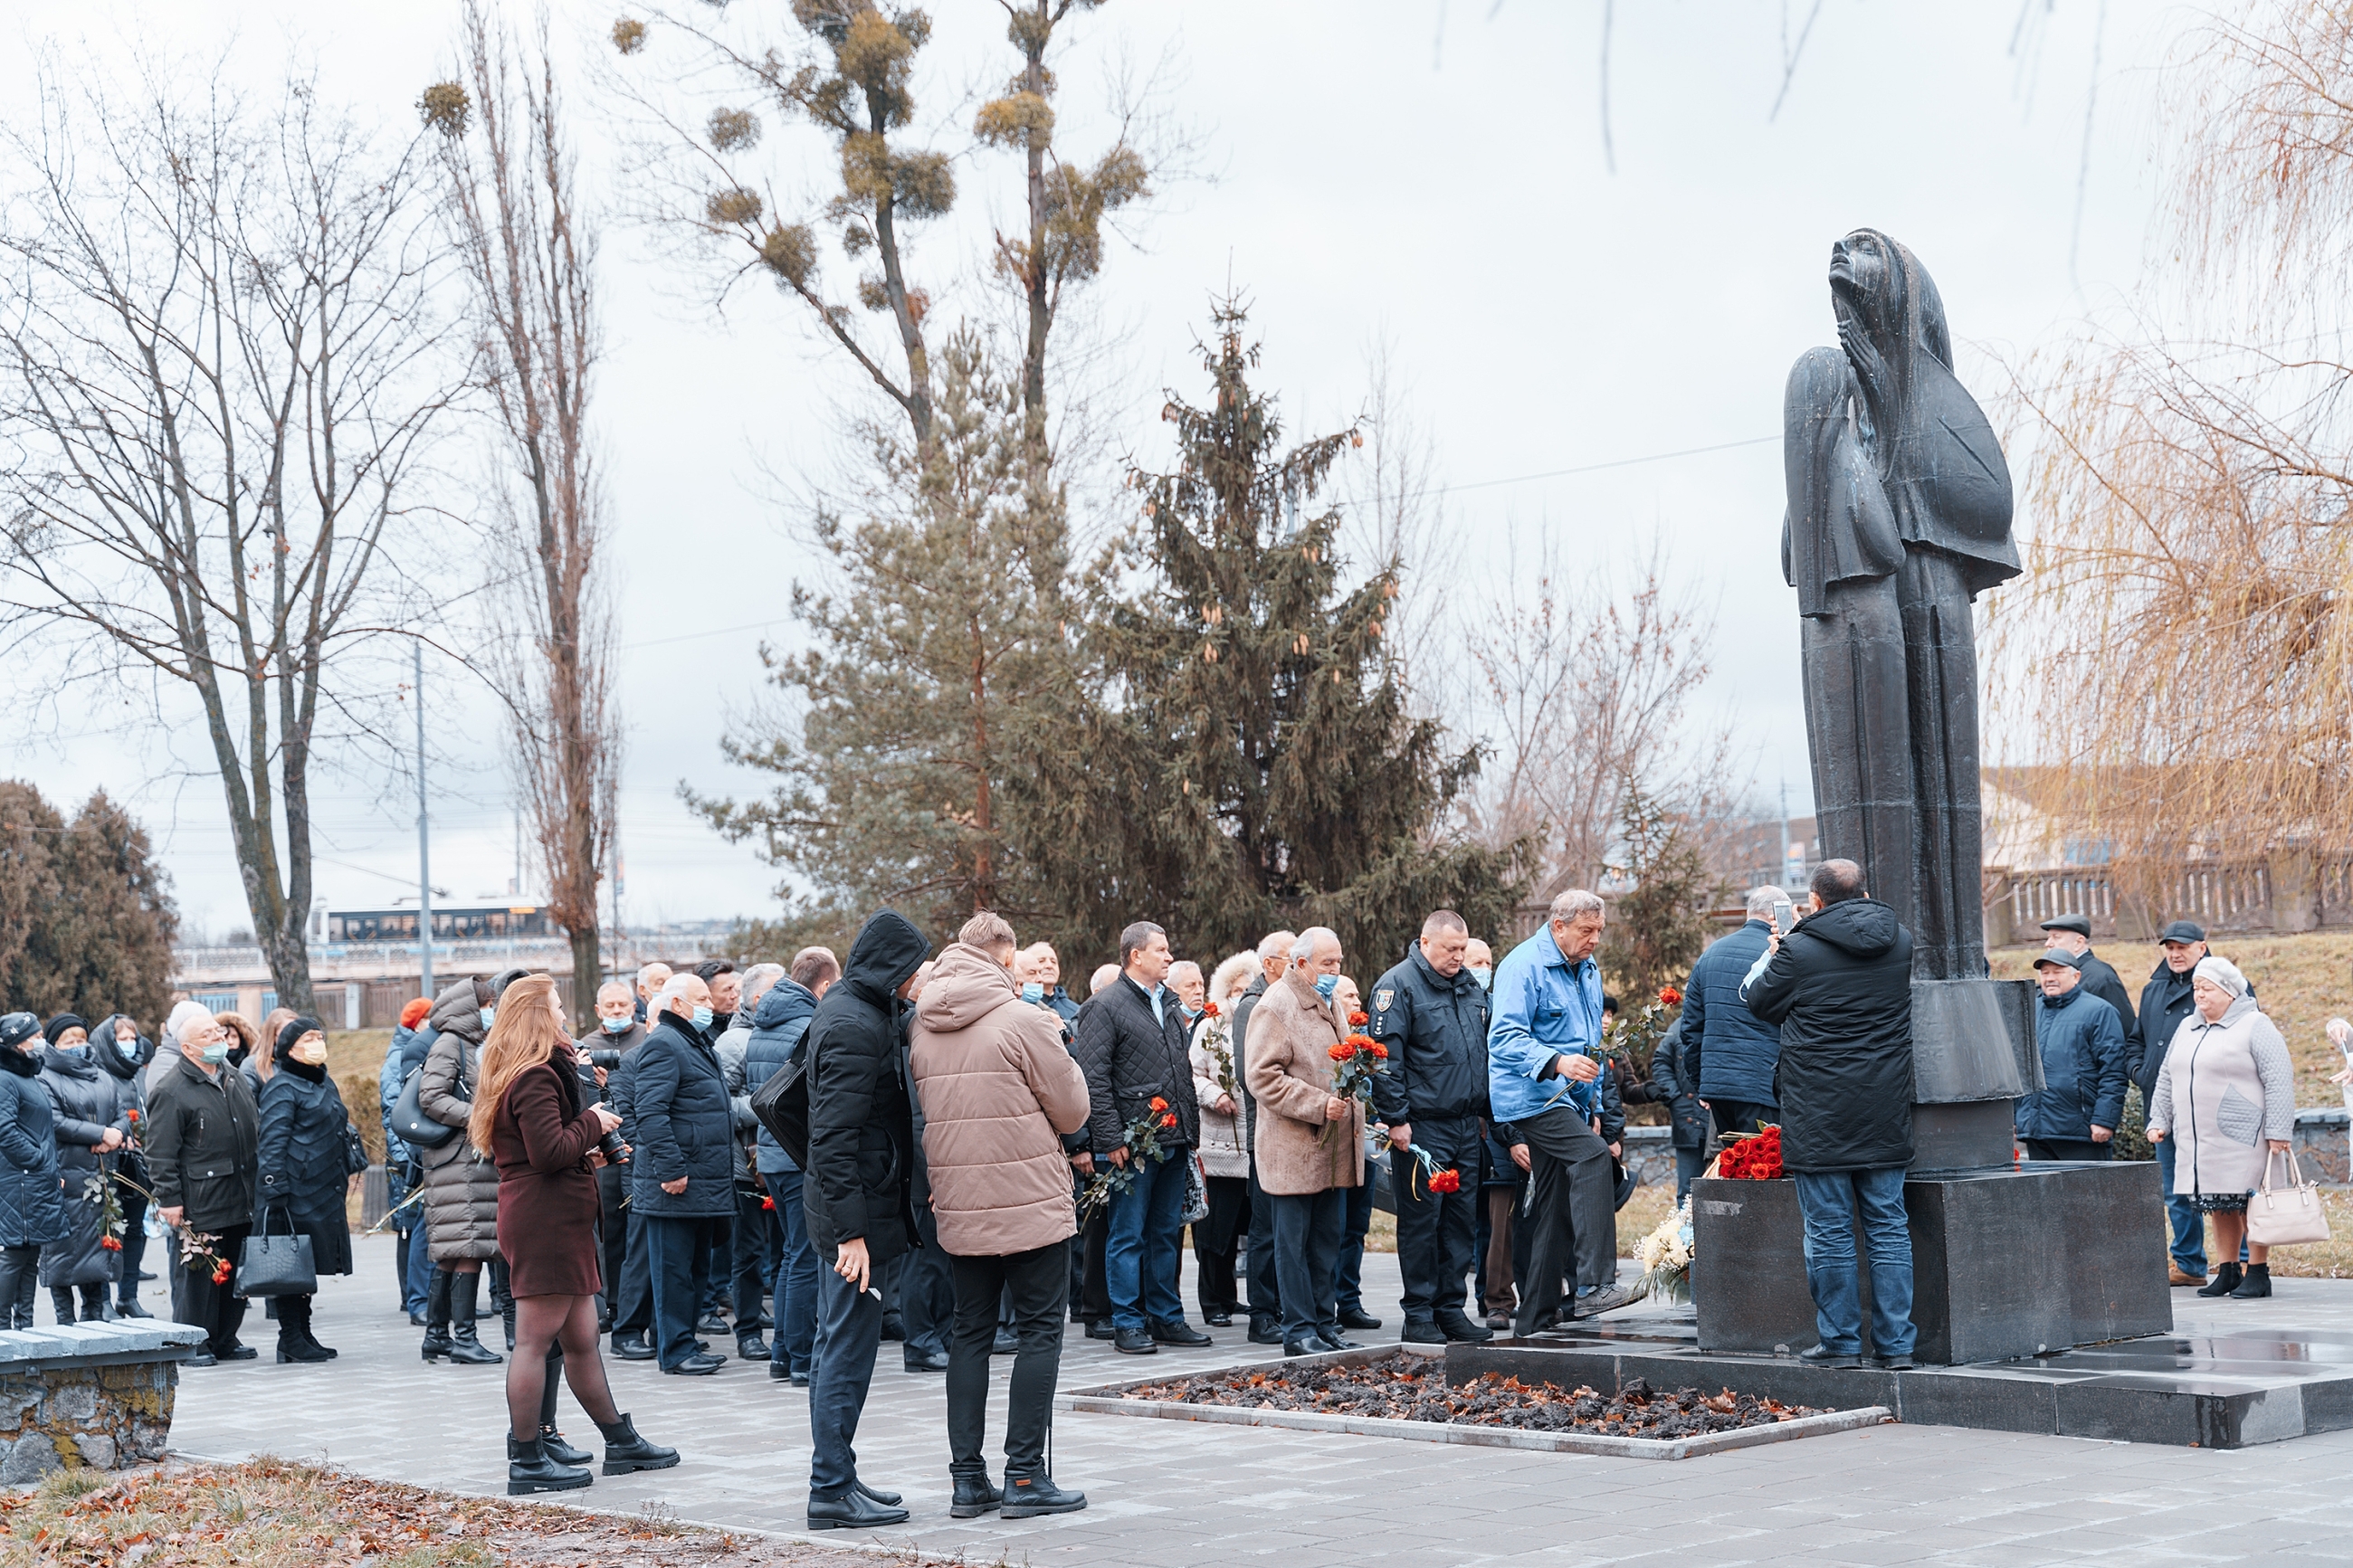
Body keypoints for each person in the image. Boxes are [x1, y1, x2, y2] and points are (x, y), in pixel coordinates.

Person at [910, 912, 1092, 1520]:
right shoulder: (1024, 1018)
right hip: (1030, 1200)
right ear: (1003, 955)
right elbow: (1070, 1113)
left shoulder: (923, 1025)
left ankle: (967, 1481)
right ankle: (1023, 1476)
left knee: (970, 1333)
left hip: (960, 1200)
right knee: (1041, 1329)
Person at [469, 973, 677, 1495]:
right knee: (534, 1342)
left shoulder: (527, 1071)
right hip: (546, 1220)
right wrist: (595, 1120)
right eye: (558, 1006)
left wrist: (586, 1121)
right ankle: (527, 1460)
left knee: (583, 1339)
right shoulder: (534, 1075)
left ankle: (620, 1441)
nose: (565, 1013)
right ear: (539, 1015)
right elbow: (549, 1152)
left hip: (556, 1215)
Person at [1740, 859, 1918, 1370]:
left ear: (1814, 900)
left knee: (1830, 1230)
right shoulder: (1900, 940)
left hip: (1819, 1110)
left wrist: (1775, 952)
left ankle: (1841, 1345)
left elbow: (1758, 1002)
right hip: (1884, 1104)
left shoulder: (1798, 949)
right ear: (1864, 892)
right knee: (1888, 1226)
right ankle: (1897, 1346)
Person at [803, 908, 929, 1532]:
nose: (919, 977)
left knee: (838, 1345)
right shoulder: (854, 1023)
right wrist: (852, 1232)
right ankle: (829, 1488)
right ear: (891, 966)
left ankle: (839, 1473)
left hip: (859, 1208)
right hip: (858, 1219)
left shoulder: (861, 1007)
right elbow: (832, 1137)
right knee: (845, 1352)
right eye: (915, 966)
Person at [1491, 890, 1626, 1335]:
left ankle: (1533, 1318)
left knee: (1552, 1208)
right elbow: (1504, 1038)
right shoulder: (1522, 965)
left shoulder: (1587, 969)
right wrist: (1557, 1062)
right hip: (1531, 1097)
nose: (1594, 941)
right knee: (1592, 1157)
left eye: (1599, 931)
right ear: (1558, 926)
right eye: (1587, 931)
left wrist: (1595, 1105)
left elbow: (1592, 1045)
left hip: (1569, 1099)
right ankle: (1594, 1284)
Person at [1074, 920, 1206, 1356]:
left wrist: (1190, 1131)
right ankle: (1127, 1322)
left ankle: (1166, 1318)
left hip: (1172, 1139)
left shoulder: (1169, 1003)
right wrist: (1110, 1137)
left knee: (1166, 1233)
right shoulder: (1105, 1005)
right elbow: (1094, 1078)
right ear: (1136, 955)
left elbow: (1180, 1071)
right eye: (1162, 950)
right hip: (1132, 1143)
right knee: (1127, 1235)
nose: (1170, 957)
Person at [1370, 910, 1495, 1345]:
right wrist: (1397, 1118)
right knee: (1423, 1222)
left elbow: (1483, 1052)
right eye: (1450, 949)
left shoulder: (1469, 987)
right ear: (1425, 943)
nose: (1459, 957)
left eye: (1463, 949)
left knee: (1460, 1223)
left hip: (1465, 1126)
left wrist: (1487, 1115)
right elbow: (1385, 1061)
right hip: (1422, 1127)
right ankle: (1418, 1313)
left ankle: (1449, 1309)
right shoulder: (1399, 985)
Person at [1243, 927, 1363, 1355]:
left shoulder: (1328, 1001)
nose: (1334, 971)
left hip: (1331, 1149)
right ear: (1301, 963)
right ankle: (1298, 1329)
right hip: (1294, 1148)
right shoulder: (1276, 1004)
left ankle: (1323, 1321)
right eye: (1327, 963)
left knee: (1326, 1240)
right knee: (1292, 1246)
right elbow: (1261, 1076)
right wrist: (1317, 1104)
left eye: (1338, 962)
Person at [2148, 956, 2296, 1301]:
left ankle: (2258, 1271)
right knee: (2218, 1203)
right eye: (2196, 988)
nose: (2198, 995)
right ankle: (2228, 1269)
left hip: (2247, 1134)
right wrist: (2159, 1120)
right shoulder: (2187, 1027)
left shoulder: (2255, 1024)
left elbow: (2278, 1079)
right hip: (2201, 1137)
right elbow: (2167, 1076)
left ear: (2229, 992)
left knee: (2249, 1205)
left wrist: (2279, 1130)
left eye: (2207, 988)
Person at [146, 1002, 262, 1366]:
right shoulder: (172, 1089)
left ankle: (225, 1338)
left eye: (218, 1032)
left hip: (240, 1193)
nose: (218, 1038)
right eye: (207, 1035)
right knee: (198, 1277)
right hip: (201, 1198)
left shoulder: (233, 1077)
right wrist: (169, 1199)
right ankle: (192, 1342)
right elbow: (160, 1152)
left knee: (234, 1274)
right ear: (188, 1048)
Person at [632, 972, 735, 1376]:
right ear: (677, 1004)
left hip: (702, 1180)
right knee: (674, 1272)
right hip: (677, 1183)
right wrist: (672, 1169)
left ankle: (684, 1341)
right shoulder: (665, 1042)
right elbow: (651, 1114)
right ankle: (675, 1350)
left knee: (694, 1269)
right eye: (702, 998)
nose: (709, 1005)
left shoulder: (692, 1041)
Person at [745, 946, 837, 1386]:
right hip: (799, 1153)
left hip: (771, 1152)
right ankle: (801, 1356)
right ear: (822, 986)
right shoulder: (807, 1025)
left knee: (788, 1255)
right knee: (804, 1258)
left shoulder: (763, 1024)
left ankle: (783, 1352)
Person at [2135, 920, 2240, 1287]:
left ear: (2202, 947)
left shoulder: (2228, 984)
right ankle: (2189, 1263)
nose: (2176, 954)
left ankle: (2240, 1262)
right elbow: (2137, 1040)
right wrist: (2143, 1072)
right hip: (2164, 1105)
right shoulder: (2153, 989)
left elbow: (2245, 1035)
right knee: (2176, 1189)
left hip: (2214, 1107)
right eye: (2170, 948)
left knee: (2229, 1185)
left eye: (2183, 947)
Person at [254, 1017, 357, 1361]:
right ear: (290, 1049)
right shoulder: (282, 1086)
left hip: (324, 1189)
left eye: (319, 1036)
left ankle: (304, 1332)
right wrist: (275, 1187)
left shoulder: (324, 1083)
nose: (317, 1042)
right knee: (290, 1263)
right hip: (294, 1191)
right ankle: (290, 1337)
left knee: (307, 1263)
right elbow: (271, 1141)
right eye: (309, 1038)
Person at [416, 977, 505, 1367]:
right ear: (470, 1007)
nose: (493, 1010)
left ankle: (437, 1336)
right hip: (458, 1159)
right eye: (489, 1003)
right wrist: (480, 1118)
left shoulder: (473, 1045)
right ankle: (464, 1339)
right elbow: (431, 1097)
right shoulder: (450, 1043)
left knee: (454, 1252)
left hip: (467, 1158)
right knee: (469, 1246)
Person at [37, 1013, 130, 1323]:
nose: (77, 1045)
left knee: (99, 1250)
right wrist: (98, 1134)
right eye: (69, 1040)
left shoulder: (100, 1075)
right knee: (62, 1253)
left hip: (101, 1178)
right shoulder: (45, 1077)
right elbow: (54, 1121)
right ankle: (65, 1322)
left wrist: (115, 1135)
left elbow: (119, 1112)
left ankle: (95, 1315)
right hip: (66, 1176)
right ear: (54, 1045)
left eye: (81, 1038)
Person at [717, 962, 785, 1361]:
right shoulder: (732, 1043)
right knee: (749, 1254)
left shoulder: (781, 1035)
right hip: (747, 1168)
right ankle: (747, 1331)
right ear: (759, 999)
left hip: (781, 1161)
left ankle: (781, 1331)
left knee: (784, 1251)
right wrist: (770, 1107)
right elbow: (718, 1105)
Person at [582, 982, 653, 1354]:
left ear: (634, 1004)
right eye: (609, 1005)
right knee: (610, 1230)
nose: (616, 1010)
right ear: (598, 1009)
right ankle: (610, 1302)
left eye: (622, 1003)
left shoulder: (647, 1037)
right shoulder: (586, 1045)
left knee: (635, 1238)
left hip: (635, 1143)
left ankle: (630, 1306)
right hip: (604, 1153)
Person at [1685, 887, 1789, 1140]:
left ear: (1749, 912)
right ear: (1777, 915)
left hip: (1718, 1086)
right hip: (1764, 1085)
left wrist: (1703, 1084)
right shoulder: (1783, 954)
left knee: (1734, 1167)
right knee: (1766, 1169)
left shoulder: (1709, 955)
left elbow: (1691, 1029)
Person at [1233, 928, 1295, 1345]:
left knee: (1291, 1228)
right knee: (1266, 1227)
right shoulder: (1253, 1006)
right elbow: (1248, 1074)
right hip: (1269, 1130)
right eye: (1290, 958)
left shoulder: (1292, 999)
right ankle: (1263, 1313)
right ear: (1269, 963)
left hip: (1299, 1131)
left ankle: (1291, 1307)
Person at [1187, 953, 1257, 1326]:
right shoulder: (1210, 1028)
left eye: (1249, 990)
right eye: (1236, 990)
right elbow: (1193, 1074)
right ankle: (1213, 1301)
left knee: (1249, 1229)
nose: (1242, 997)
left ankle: (1233, 1298)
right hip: (1219, 1147)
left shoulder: (1261, 1024)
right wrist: (1216, 1096)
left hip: (1254, 1146)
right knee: (1216, 1234)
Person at [2017, 950, 2129, 1163]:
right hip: (2036, 1130)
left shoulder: (2100, 1011)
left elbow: (2114, 1071)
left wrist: (2105, 1120)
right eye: (2045, 972)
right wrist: (2017, 1117)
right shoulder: (2030, 1010)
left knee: (2089, 1196)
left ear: (2076, 976)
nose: (2049, 978)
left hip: (2083, 1131)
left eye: (2057, 972)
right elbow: (2020, 1068)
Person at [0, 1012, 67, 1331]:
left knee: (29, 1256)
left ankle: (23, 1326)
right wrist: (39, 1161)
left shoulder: (26, 1077)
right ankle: (2, 1327)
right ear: (16, 1042)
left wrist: (51, 1169)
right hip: (21, 1182)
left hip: (35, 1181)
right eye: (35, 1035)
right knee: (15, 1255)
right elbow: (5, 1131)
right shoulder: (5, 1078)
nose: (41, 1040)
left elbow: (38, 1129)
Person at [1326, 974, 1382, 1334]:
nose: (1358, 1001)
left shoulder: (1365, 1047)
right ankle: (1325, 1301)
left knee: (1357, 1227)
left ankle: (1349, 1300)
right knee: (1334, 1226)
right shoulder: (1329, 1044)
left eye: (1359, 995)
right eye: (1349, 996)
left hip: (1367, 1144)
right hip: (1334, 1144)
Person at [90, 1013, 155, 1317]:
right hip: (105, 1163)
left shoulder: (137, 1073)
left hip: (137, 1164)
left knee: (134, 1232)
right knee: (108, 1231)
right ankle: (102, 1300)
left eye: (133, 1038)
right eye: (122, 1039)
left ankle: (128, 1296)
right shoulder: (95, 1073)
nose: (130, 1045)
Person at [383, 996, 435, 1323]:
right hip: (411, 1159)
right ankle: (415, 1299)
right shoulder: (402, 1057)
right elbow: (395, 1114)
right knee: (415, 1227)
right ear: (417, 1023)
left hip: (415, 1156)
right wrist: (407, 1160)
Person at [2038, 914, 2137, 1037]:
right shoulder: (2053, 977)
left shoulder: (2101, 977)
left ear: (2078, 943)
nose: (2048, 944)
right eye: (2048, 938)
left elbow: (2125, 1029)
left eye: (2056, 937)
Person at [1646, 1018, 1710, 1203]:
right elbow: (1661, 1062)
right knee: (1688, 1191)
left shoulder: (1725, 1017)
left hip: (1720, 1119)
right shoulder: (1678, 1026)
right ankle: (1687, 1232)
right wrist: (1675, 1098)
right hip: (1688, 1121)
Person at [1020, 944, 1083, 1027]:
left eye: (1053, 962)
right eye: (1041, 961)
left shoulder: (1077, 1011)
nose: (1049, 966)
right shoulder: (1018, 1007)